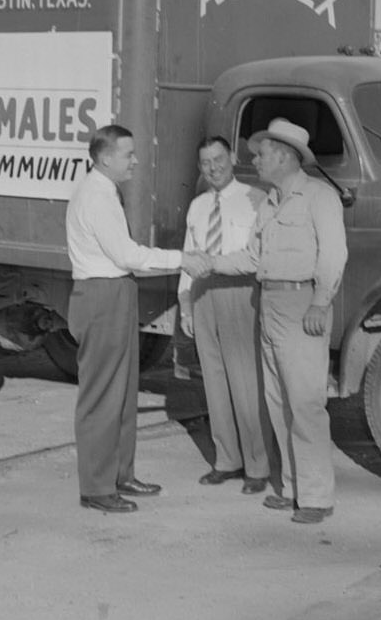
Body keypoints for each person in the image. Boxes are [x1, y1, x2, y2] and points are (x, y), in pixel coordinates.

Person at [208, 118, 347, 524]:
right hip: (269, 303)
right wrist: (207, 262)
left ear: (284, 156)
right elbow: (252, 258)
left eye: (262, 154)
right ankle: (291, 489)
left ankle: (317, 498)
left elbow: (334, 255)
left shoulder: (319, 196)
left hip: (303, 303)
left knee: (305, 404)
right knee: (278, 402)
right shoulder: (270, 201)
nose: (255, 160)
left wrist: (321, 302)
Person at [65, 124, 190, 514]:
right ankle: (97, 488)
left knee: (122, 392)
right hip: (102, 295)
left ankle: (120, 474)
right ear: (105, 158)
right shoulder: (96, 197)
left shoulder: (106, 190)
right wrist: (183, 259)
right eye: (128, 154)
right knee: (102, 396)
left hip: (116, 293)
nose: (135, 160)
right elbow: (127, 256)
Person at [178, 136, 272, 494]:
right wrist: (185, 303)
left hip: (238, 292)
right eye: (205, 163)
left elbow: (257, 255)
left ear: (232, 157)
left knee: (246, 382)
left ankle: (258, 466)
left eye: (218, 159)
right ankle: (227, 460)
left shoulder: (255, 200)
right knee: (214, 382)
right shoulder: (198, 206)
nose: (213, 168)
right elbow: (188, 257)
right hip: (203, 295)